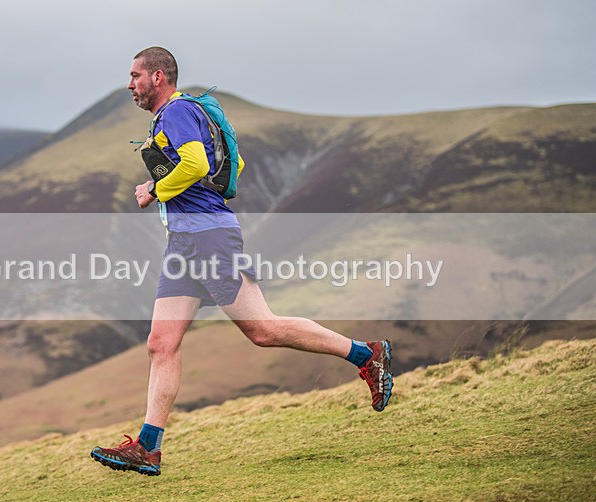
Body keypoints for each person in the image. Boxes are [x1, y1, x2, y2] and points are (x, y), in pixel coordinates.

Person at [90, 46, 393, 476]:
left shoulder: (177, 111)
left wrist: (155, 191)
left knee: (264, 330)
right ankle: (148, 447)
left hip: (208, 237)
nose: (130, 84)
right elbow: (213, 165)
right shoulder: (173, 118)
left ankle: (367, 355)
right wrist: (162, 184)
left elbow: (195, 163)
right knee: (161, 344)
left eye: (136, 75)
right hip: (184, 244)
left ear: (159, 77)